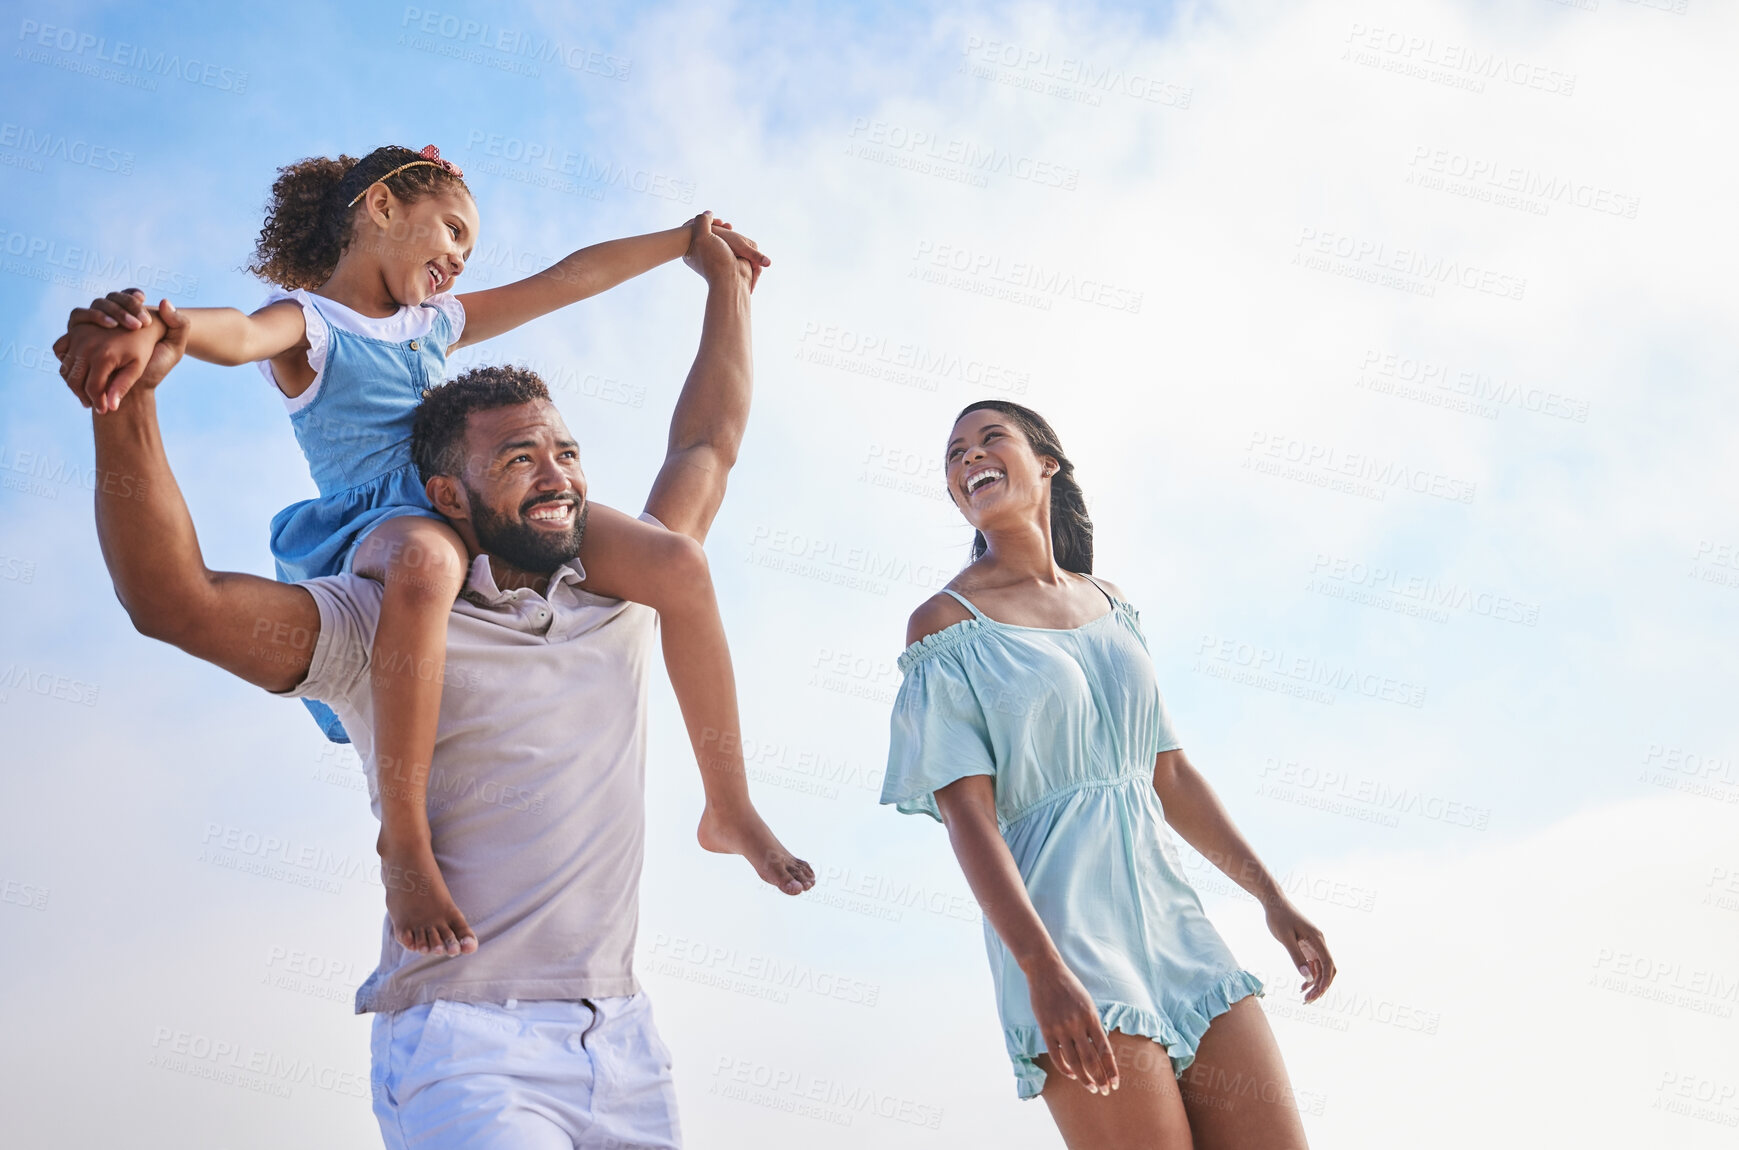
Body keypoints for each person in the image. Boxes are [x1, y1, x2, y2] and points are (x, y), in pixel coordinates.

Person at [64, 219, 805, 1148]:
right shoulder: (379, 623)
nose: (556, 475)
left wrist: (725, 285)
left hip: (623, 1040)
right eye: (517, 459)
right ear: (448, 496)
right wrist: (122, 403)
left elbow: (706, 444)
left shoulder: (624, 596)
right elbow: (176, 601)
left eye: (565, 453)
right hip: (468, 1044)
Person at [881, 400, 1335, 1149]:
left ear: (1046, 463)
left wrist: (1270, 897)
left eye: (989, 439)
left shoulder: (1112, 604)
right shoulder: (945, 625)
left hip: (1176, 928)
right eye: (953, 454)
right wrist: (1040, 967)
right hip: (1063, 940)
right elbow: (968, 818)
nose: (968, 459)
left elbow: (1171, 775)